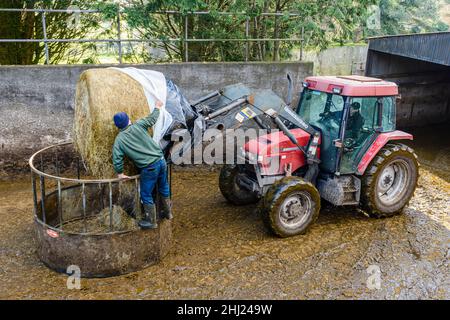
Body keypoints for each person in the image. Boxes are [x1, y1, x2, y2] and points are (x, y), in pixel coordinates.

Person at [112, 100, 172, 230]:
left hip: (149, 167)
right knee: (163, 186)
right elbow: (152, 119)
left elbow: (117, 158)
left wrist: (120, 172)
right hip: (161, 160)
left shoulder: (119, 140)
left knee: (145, 194)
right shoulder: (139, 124)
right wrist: (157, 107)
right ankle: (168, 212)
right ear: (128, 121)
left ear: (117, 126)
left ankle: (151, 221)